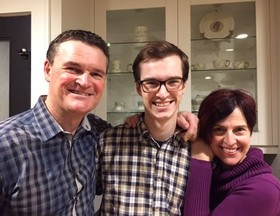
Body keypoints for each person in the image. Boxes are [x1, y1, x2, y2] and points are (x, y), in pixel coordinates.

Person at [0, 30, 198, 215]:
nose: (85, 82)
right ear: (47, 69)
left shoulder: (98, 133)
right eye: (73, 68)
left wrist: (179, 118)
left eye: (96, 73)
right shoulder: (6, 144)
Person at [96, 40, 192, 215]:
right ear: (139, 88)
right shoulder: (108, 142)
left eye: (173, 81)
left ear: (183, 85)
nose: (162, 93)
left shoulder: (198, 146)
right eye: (151, 83)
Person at [183, 88, 280, 216]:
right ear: (207, 133)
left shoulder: (263, 189)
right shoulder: (218, 174)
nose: (230, 141)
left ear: (250, 132)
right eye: (219, 129)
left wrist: (200, 159)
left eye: (239, 130)